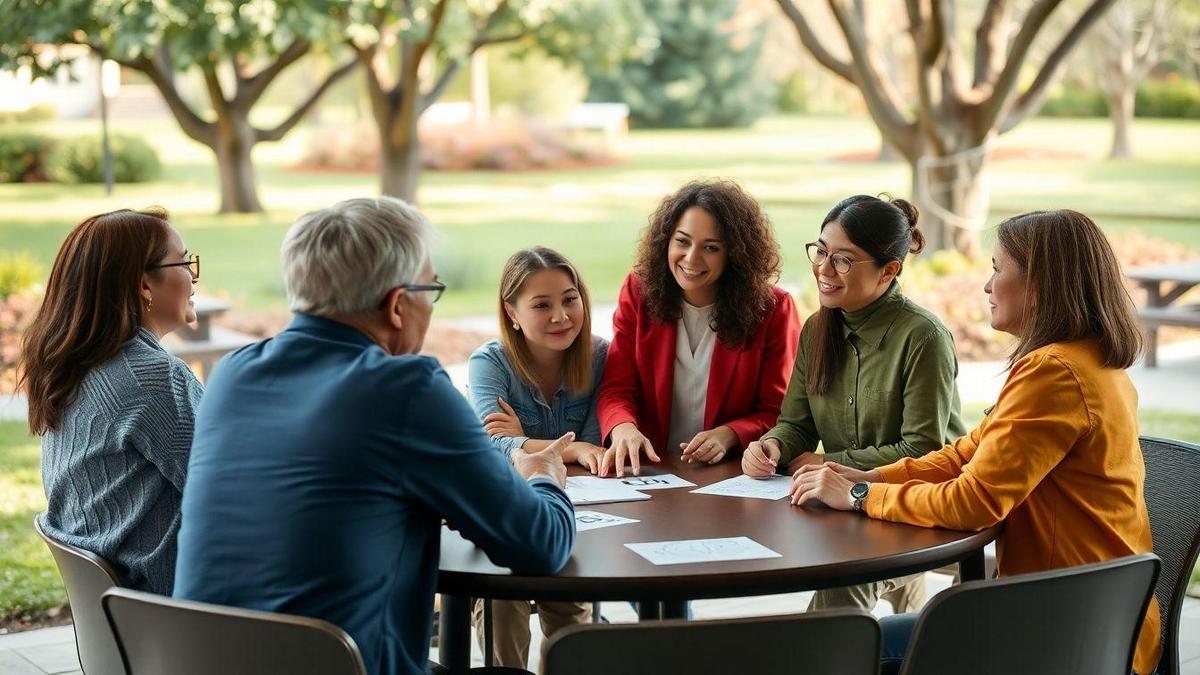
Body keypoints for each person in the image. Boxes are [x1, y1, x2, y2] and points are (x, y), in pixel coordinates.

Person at [173, 197, 576, 675]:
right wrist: (544, 474)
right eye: (431, 289)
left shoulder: (232, 375)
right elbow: (538, 545)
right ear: (398, 305)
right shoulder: (408, 389)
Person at [791, 209, 1160, 675]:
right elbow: (966, 454)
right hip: (1101, 617)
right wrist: (868, 476)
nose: (986, 286)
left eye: (995, 269)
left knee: (837, 648)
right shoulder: (1085, 360)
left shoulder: (1055, 373)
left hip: (1060, 630)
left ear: (1041, 284)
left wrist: (862, 496)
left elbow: (974, 502)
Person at [742, 195, 965, 614]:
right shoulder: (817, 328)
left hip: (921, 510)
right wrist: (772, 446)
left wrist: (827, 465)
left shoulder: (923, 338)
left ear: (890, 270)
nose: (824, 270)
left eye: (843, 260)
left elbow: (924, 451)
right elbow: (796, 424)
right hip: (850, 511)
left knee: (838, 597)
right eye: (821, 252)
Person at [19, 207, 202, 595]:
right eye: (185, 261)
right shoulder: (150, 378)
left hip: (128, 617)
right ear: (144, 286)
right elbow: (236, 489)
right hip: (180, 613)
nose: (193, 276)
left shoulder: (77, 367)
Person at [597, 179, 801, 477]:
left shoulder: (773, 310)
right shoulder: (638, 292)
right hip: (650, 471)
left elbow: (778, 412)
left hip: (730, 476)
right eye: (682, 241)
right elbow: (617, 387)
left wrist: (730, 434)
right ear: (666, 240)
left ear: (735, 254)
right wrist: (622, 427)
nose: (691, 258)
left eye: (711, 247)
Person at [465, 246, 607, 668]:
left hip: (578, 513)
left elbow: (598, 449)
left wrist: (523, 439)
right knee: (501, 597)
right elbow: (488, 445)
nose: (561, 316)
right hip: (504, 510)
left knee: (569, 603)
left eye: (569, 299)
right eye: (541, 305)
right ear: (512, 311)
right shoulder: (489, 362)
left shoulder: (600, 357)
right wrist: (572, 447)